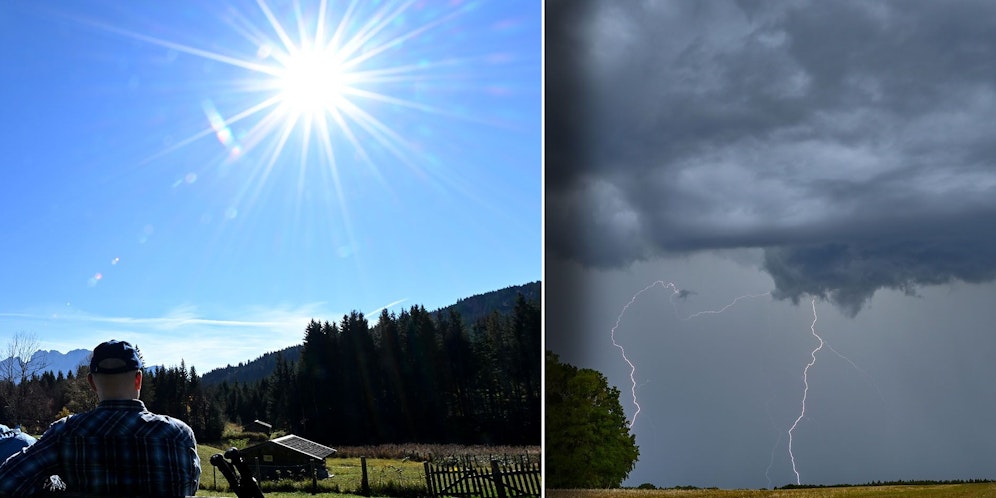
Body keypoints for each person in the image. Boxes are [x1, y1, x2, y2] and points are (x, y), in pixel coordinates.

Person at [0, 340, 200, 497]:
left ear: (91, 383)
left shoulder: (66, 433)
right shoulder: (179, 435)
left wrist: (56, 487)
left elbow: (7, 482)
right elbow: (189, 489)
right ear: (139, 379)